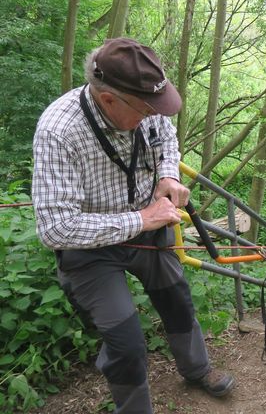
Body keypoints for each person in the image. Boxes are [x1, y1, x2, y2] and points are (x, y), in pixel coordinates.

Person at [32, 38, 235, 414]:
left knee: (177, 300)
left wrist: (169, 176)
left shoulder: (146, 101)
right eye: (145, 110)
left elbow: (167, 141)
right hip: (91, 250)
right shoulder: (59, 130)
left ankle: (197, 370)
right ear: (109, 100)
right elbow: (55, 229)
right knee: (125, 342)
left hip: (150, 227)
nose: (154, 114)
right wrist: (140, 219)